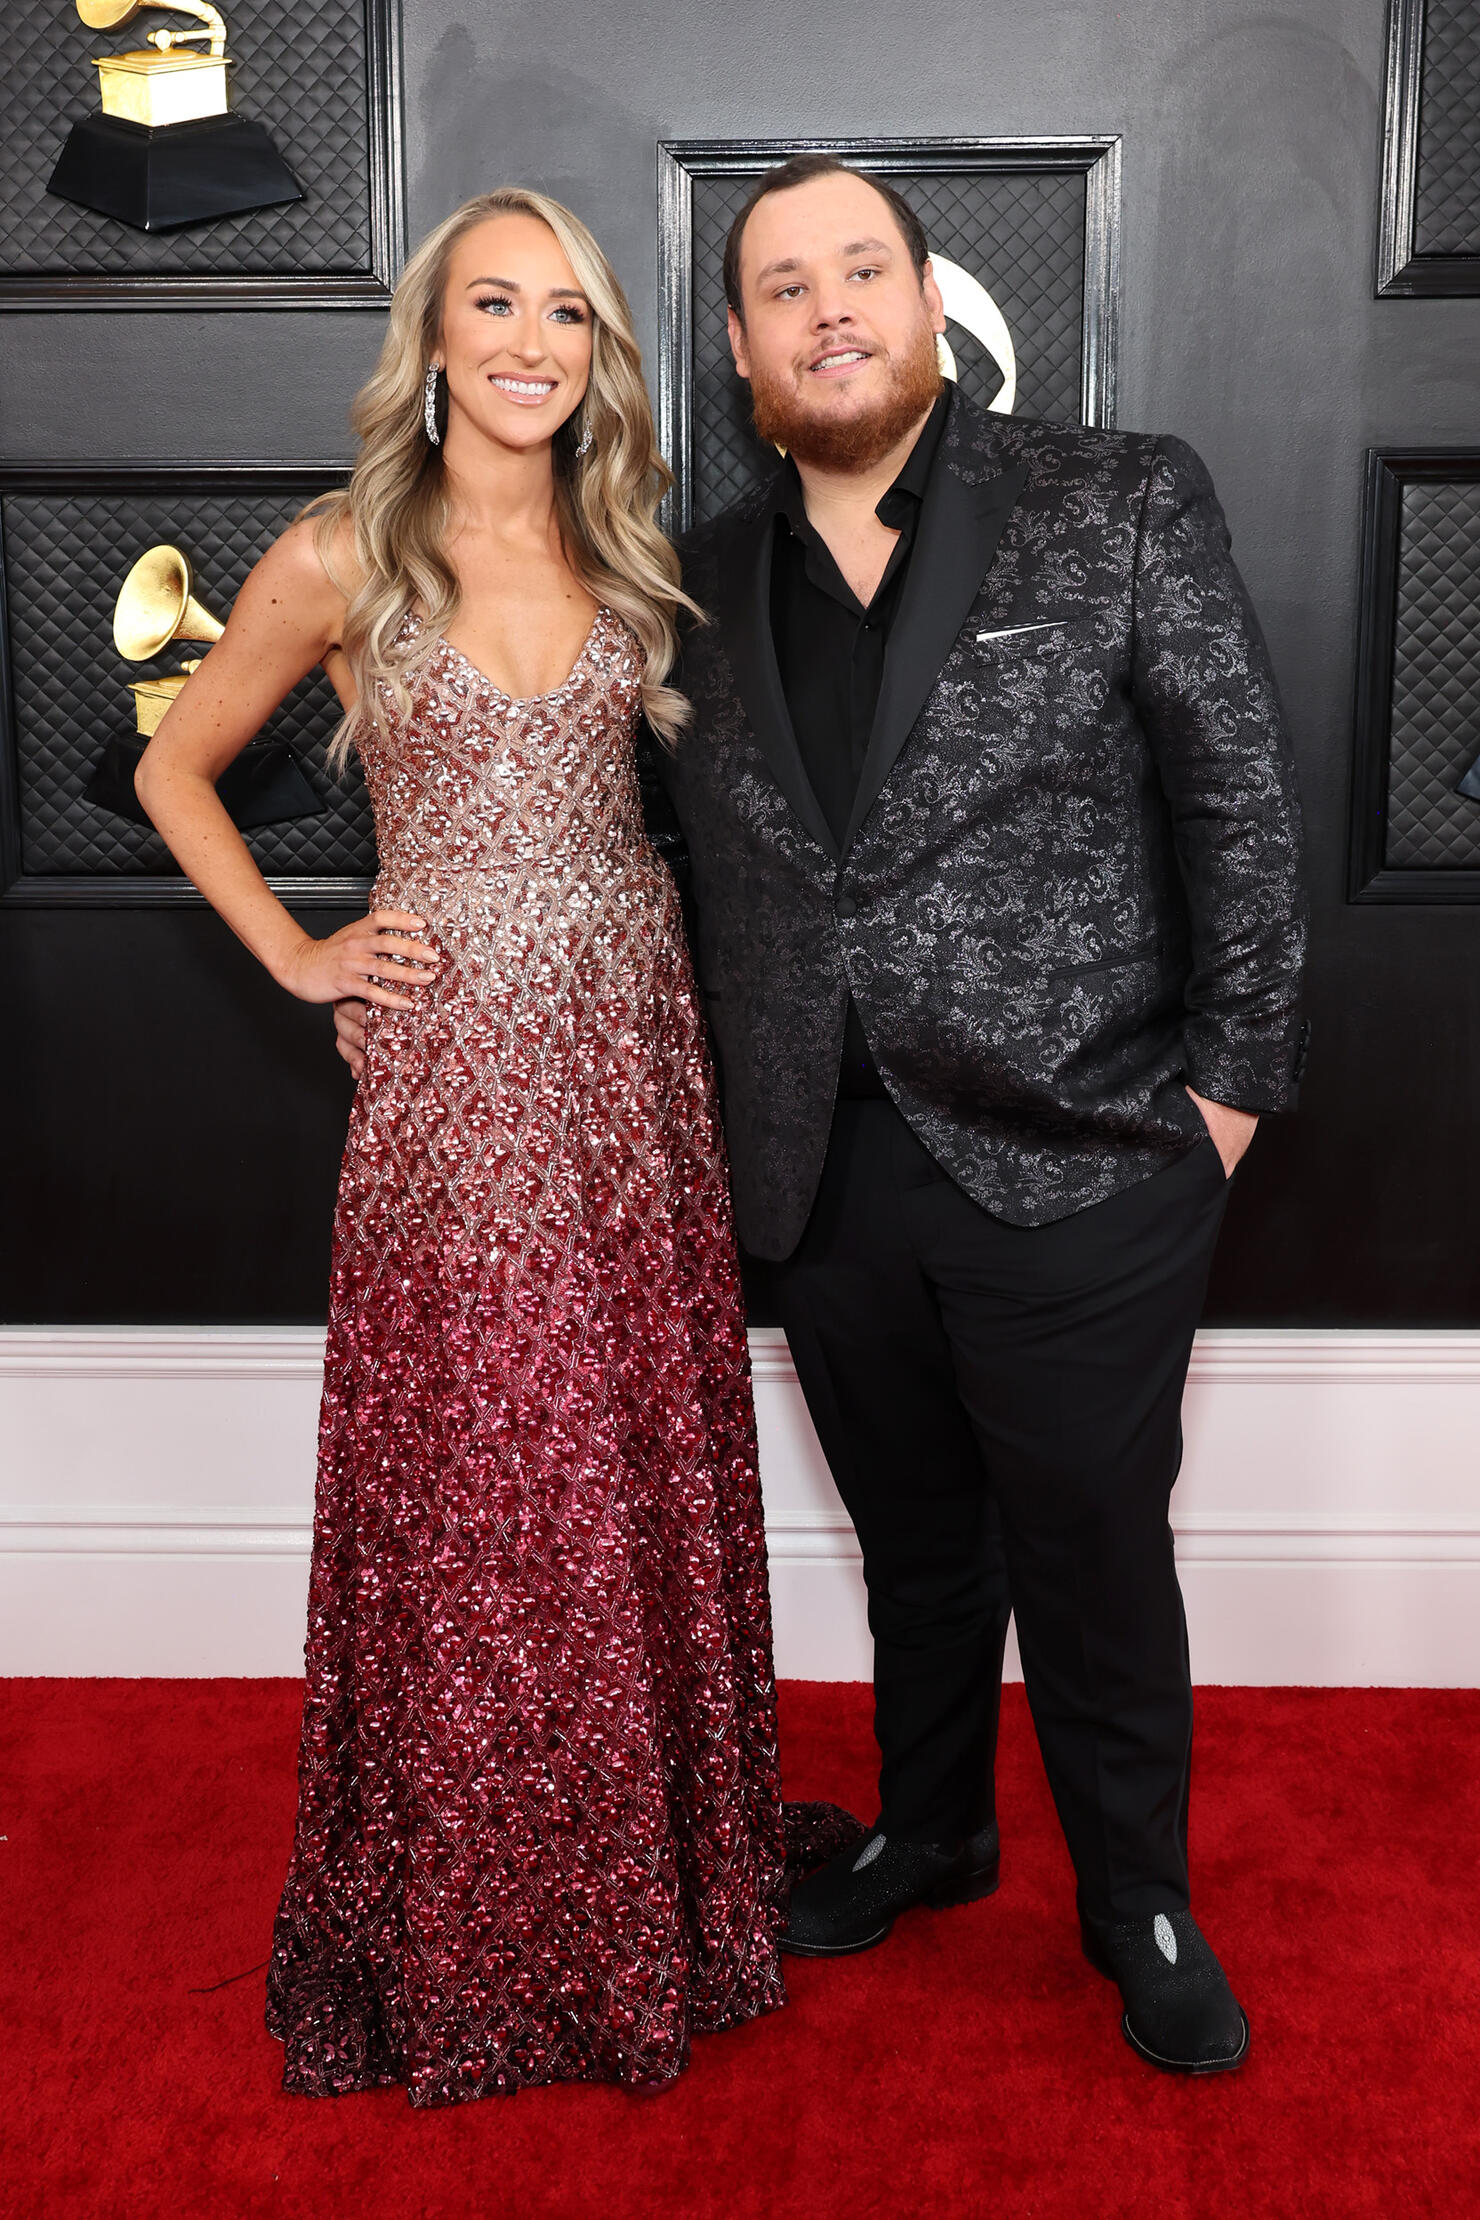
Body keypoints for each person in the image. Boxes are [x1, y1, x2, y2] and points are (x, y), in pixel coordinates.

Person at [336, 158, 1310, 2075]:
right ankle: (932, 1832)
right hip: (815, 1172)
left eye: (862, 269)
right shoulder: (681, 581)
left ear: (930, 302)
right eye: (784, 286)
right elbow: (611, 851)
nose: (828, 309)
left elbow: (1246, 819)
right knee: (915, 1539)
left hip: (1091, 1156)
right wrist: (414, 957)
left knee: (1097, 1551)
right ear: (738, 346)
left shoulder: (1117, 496)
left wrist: (1226, 1105)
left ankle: (1141, 1904)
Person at [136, 187, 849, 2107]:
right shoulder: (341, 558)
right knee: (475, 1487)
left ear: (598, 351)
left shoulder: (638, 560)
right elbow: (169, 764)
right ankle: (469, 1922)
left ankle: (648, 1895)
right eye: (494, 309)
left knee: (621, 1456)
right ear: (432, 341)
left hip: (629, 1057)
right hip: (452, 1073)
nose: (531, 344)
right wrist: (301, 951)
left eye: (567, 315)